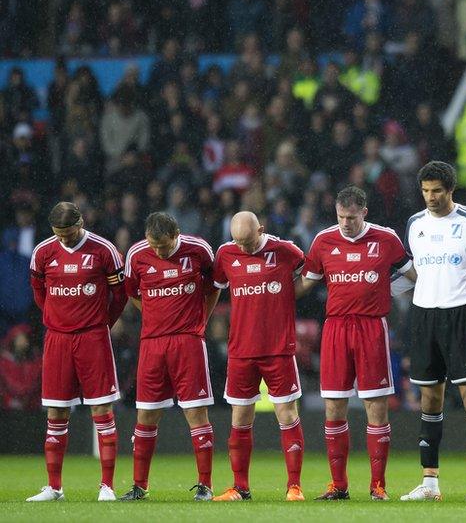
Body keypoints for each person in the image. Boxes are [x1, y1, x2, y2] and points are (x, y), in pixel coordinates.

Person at [302, 186, 412, 501]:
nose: (345, 223)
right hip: (335, 328)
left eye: (351, 217)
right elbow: (307, 280)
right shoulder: (324, 240)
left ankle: (378, 485)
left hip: (371, 328)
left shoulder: (386, 239)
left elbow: (413, 272)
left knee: (375, 405)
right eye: (340, 217)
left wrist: (387, 291)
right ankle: (339, 485)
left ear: (364, 212)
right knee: (334, 405)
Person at [398, 161, 466, 501]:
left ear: (450, 190)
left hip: (461, 315)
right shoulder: (414, 224)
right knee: (429, 398)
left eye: (436, 191)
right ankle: (430, 483)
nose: (430, 197)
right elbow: (406, 270)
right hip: (424, 316)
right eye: (425, 191)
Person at [26, 202, 126, 502]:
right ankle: (54, 487)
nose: (65, 240)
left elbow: (119, 295)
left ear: (81, 223)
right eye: (59, 234)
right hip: (58, 340)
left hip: (93, 338)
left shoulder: (103, 250)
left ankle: (106, 486)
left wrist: (99, 323)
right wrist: (58, 320)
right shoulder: (43, 252)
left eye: (69, 234)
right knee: (56, 412)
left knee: (102, 410)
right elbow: (39, 292)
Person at [119, 212, 220, 501]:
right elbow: (132, 293)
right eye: (154, 246)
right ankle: (139, 486)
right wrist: (156, 316)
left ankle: (205, 485)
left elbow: (213, 288)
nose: (158, 252)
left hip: (188, 342)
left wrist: (200, 320)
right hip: (152, 343)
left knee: (196, 412)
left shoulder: (198, 249)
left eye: (163, 246)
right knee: (146, 414)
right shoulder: (137, 254)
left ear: (176, 235)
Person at [211, 212, 307, 501]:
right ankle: (240, 488)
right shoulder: (226, 253)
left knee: (287, 414)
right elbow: (215, 288)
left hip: (278, 349)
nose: (243, 248)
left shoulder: (285, 250)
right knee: (239, 418)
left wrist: (287, 294)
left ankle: (294, 486)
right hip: (241, 351)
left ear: (261, 230)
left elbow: (312, 273)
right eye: (238, 242)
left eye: (248, 242)